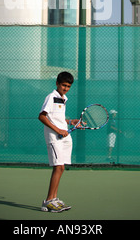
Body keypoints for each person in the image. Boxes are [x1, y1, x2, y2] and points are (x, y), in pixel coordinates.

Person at [38, 71, 80, 213]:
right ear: (57, 83)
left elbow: (57, 118)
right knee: (58, 167)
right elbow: (42, 117)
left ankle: (54, 199)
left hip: (63, 137)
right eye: (63, 85)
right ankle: (48, 201)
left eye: (68, 86)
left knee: (61, 168)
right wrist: (58, 130)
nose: (66, 88)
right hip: (54, 137)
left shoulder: (63, 98)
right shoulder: (51, 97)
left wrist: (70, 121)